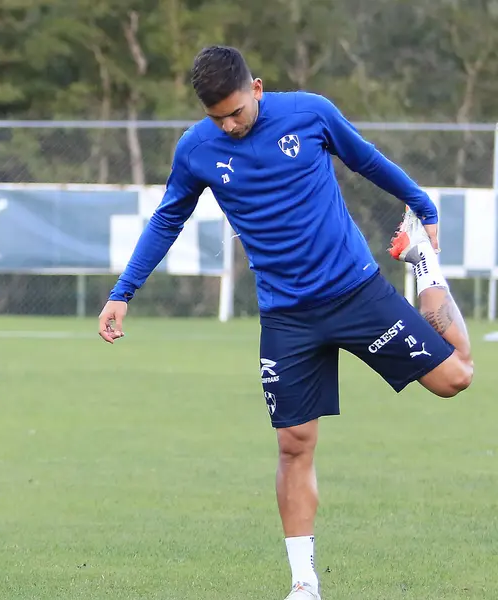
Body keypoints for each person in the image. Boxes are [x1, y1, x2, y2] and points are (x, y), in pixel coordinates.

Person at [97, 45, 473, 600]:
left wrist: (424, 207)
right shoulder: (195, 150)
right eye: (216, 117)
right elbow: (167, 218)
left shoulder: (310, 113)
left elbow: (366, 159)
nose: (228, 125)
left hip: (357, 294)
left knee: (455, 379)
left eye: (236, 112)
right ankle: (303, 582)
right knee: (294, 445)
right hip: (286, 318)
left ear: (258, 88)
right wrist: (122, 292)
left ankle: (422, 264)